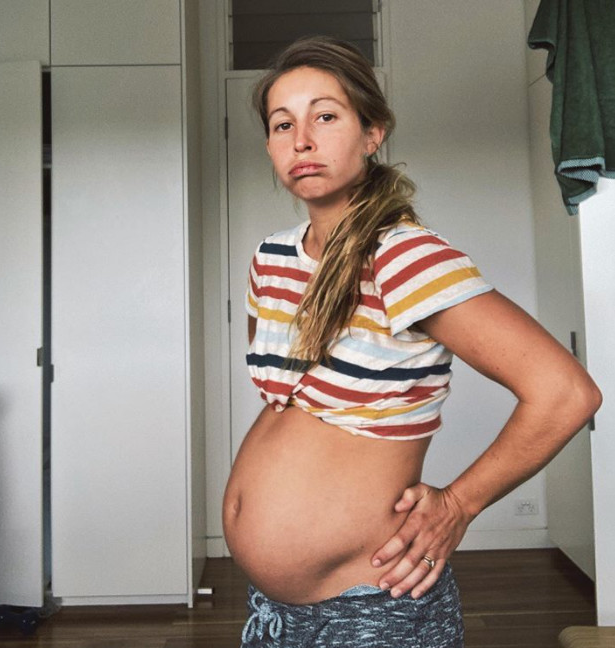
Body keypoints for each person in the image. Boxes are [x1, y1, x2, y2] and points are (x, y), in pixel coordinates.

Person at [222, 36, 602, 648]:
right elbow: (289, 400)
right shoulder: (272, 257)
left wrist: (458, 504)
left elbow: (565, 393)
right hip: (273, 611)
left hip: (372, 606)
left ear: (372, 133)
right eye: (282, 124)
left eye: (326, 116)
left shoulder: (402, 256)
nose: (302, 140)